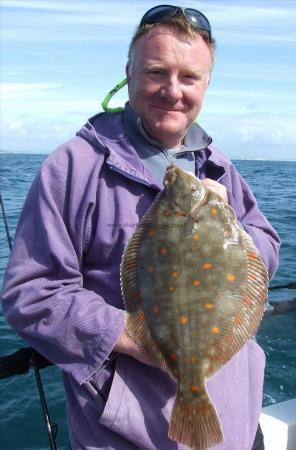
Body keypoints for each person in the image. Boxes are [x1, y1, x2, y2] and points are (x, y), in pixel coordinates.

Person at [2, 5, 280, 450]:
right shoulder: (73, 166)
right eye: (156, 72)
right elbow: (32, 294)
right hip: (127, 434)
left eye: (189, 77)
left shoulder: (218, 164)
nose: (172, 91)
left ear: (206, 84)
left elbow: (267, 245)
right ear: (128, 73)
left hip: (237, 425)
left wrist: (232, 232)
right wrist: (139, 339)